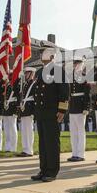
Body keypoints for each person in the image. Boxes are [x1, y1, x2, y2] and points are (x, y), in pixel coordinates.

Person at [31, 42, 70, 182]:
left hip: (52, 111)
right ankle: (43, 169)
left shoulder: (58, 70)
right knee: (42, 143)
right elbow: (37, 93)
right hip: (41, 112)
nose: (41, 54)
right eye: (41, 52)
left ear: (52, 55)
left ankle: (52, 171)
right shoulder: (40, 71)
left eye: (44, 51)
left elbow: (64, 92)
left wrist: (61, 110)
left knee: (51, 142)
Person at [68, 56, 91, 162]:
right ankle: (74, 153)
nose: (75, 65)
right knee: (73, 131)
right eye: (75, 63)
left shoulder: (85, 76)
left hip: (81, 105)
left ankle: (80, 154)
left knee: (80, 131)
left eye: (78, 63)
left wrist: (86, 107)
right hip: (72, 105)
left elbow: (87, 93)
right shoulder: (70, 77)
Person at [17, 67, 37, 157]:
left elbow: (36, 99)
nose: (25, 75)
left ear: (32, 74)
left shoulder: (34, 84)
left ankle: (29, 150)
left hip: (30, 109)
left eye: (27, 73)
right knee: (24, 130)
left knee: (29, 130)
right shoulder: (25, 84)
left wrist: (33, 112)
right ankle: (25, 149)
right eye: (25, 73)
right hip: (24, 109)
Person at [1, 72, 19, 152]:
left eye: (9, 76)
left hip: (12, 108)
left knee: (12, 128)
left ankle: (13, 147)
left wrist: (16, 111)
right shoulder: (7, 86)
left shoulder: (15, 85)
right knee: (7, 129)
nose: (8, 78)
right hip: (6, 108)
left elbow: (18, 97)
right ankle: (7, 146)